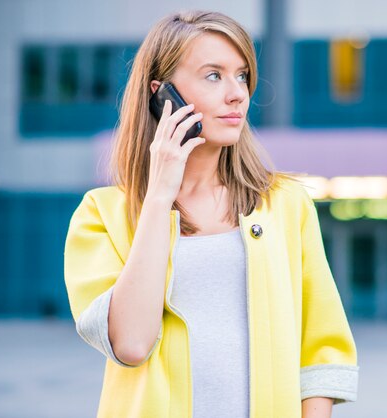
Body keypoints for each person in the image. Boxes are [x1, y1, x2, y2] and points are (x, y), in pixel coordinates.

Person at [63, 10, 358, 418]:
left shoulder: (285, 204)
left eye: (242, 75)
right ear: (162, 94)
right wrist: (159, 196)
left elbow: (321, 351)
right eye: (214, 75)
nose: (237, 93)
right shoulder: (102, 214)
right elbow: (131, 345)